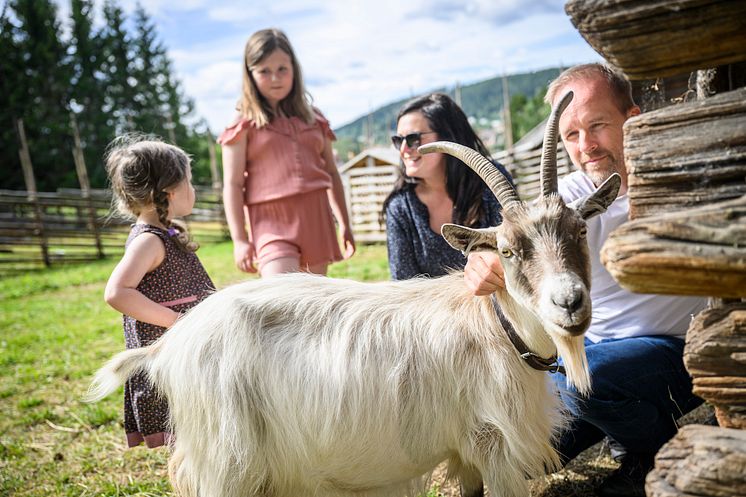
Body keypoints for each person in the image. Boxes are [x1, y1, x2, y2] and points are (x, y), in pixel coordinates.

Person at [463, 63, 706, 497]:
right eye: (571, 135)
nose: (585, 146)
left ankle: (650, 454)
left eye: (597, 125)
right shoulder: (569, 197)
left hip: (673, 348)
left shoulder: (679, 183)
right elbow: (522, 238)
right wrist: (483, 264)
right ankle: (617, 424)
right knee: (532, 450)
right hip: (596, 348)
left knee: (582, 383)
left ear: (631, 120)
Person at [103, 135, 215, 449]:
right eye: (189, 182)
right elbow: (117, 292)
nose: (194, 189)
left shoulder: (165, 231)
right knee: (184, 424)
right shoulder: (148, 240)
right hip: (168, 348)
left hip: (184, 342)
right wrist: (176, 322)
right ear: (168, 192)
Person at [219, 28, 355, 277]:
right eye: (264, 71)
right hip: (270, 222)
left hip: (315, 216)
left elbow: (333, 174)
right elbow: (233, 184)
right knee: (280, 299)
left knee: (311, 305)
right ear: (250, 74)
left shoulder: (315, 118)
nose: (275, 78)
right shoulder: (243, 122)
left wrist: (345, 223)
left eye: (282, 69)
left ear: (294, 68)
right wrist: (239, 240)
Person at [382, 92, 512, 279]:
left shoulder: (491, 183)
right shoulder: (401, 208)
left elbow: (516, 253)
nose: (403, 150)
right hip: (430, 308)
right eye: (398, 140)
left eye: (412, 139)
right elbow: (404, 287)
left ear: (448, 136)